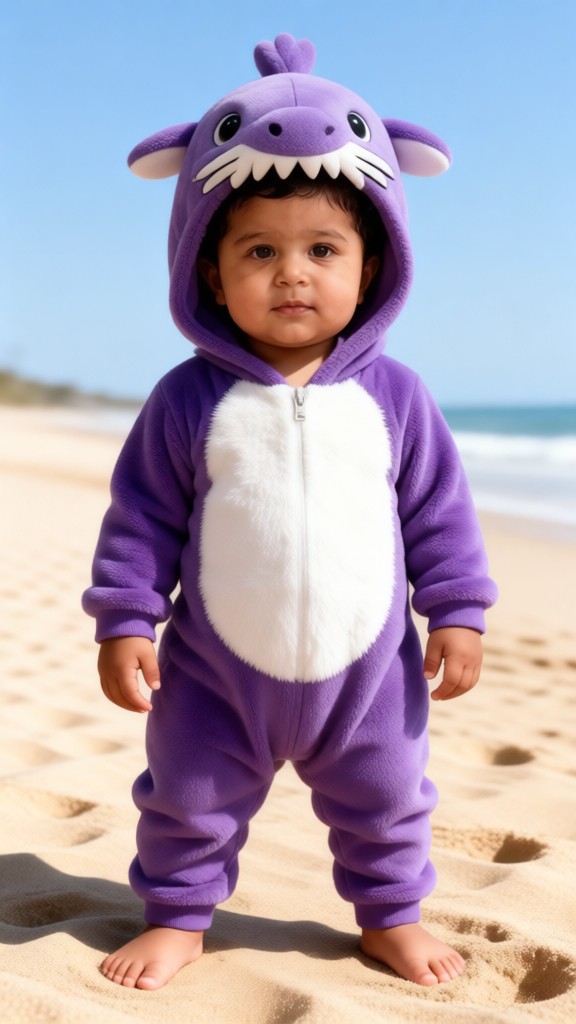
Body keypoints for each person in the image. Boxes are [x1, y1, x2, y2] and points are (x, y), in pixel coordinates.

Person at [83, 34, 497, 992]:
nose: (292, 273)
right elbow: (140, 518)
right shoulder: (187, 400)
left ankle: (391, 917)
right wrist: (125, 620)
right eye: (259, 251)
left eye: (323, 250)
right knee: (186, 796)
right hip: (215, 671)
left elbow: (440, 514)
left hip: (370, 672)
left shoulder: (397, 397)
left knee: (389, 799)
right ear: (210, 272)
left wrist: (459, 609)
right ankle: (179, 918)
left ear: (371, 266)